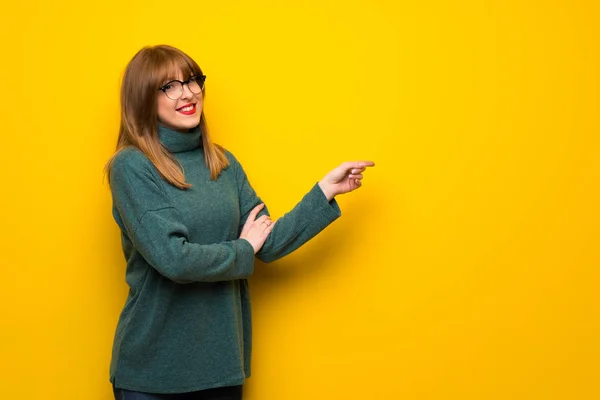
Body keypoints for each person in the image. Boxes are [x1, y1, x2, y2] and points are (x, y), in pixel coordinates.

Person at [105, 44, 375, 400]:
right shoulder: (132, 167)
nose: (188, 93)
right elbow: (173, 259)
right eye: (169, 86)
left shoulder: (223, 163)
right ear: (143, 99)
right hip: (153, 373)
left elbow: (268, 243)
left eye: (192, 81)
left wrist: (324, 192)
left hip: (221, 368)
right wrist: (242, 248)